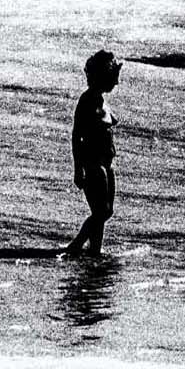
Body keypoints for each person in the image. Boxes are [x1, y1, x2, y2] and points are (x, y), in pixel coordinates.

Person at [67, 48, 121, 258]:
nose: (116, 82)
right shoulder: (87, 100)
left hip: (107, 162)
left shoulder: (101, 100)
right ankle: (76, 245)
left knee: (104, 212)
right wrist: (78, 169)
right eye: (114, 77)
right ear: (103, 76)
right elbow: (76, 136)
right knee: (102, 212)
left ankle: (94, 252)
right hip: (93, 163)